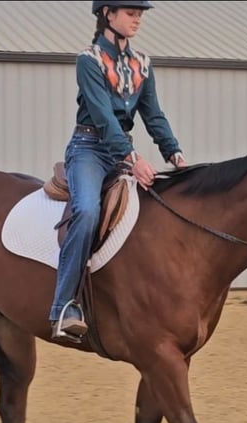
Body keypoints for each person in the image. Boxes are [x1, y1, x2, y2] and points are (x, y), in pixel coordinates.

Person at [49, 0, 187, 343]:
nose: (137, 19)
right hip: (89, 149)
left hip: (122, 151)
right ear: (108, 14)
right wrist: (133, 157)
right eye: (130, 13)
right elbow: (102, 116)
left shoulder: (143, 64)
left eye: (139, 14)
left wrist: (176, 154)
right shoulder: (89, 60)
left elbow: (153, 115)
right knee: (86, 211)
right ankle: (64, 306)